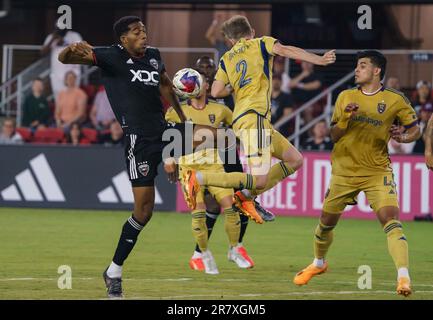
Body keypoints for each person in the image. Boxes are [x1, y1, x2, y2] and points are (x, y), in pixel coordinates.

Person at [58, 16, 188, 298]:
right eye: (136, 31)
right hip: (138, 141)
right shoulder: (109, 56)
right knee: (143, 211)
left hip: (166, 132)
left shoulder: (153, 55)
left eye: (144, 30)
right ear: (123, 39)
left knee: (218, 137)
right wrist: (72, 48)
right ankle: (114, 270)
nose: (143, 34)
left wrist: (183, 119)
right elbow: (64, 59)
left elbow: (165, 83)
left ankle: (245, 194)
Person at [181, 15, 336, 224]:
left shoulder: (227, 58)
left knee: (295, 159)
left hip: (251, 119)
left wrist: (236, 85)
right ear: (251, 32)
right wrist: (319, 59)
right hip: (254, 118)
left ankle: (246, 197)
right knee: (260, 179)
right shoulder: (262, 43)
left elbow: (216, 91)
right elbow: (286, 50)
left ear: (231, 40)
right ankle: (199, 178)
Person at [293, 50, 421, 297]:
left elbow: (414, 130)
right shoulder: (345, 96)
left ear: (376, 71)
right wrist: (346, 119)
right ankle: (319, 263)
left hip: (377, 171)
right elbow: (334, 135)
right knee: (325, 225)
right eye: (356, 65)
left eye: (362, 65)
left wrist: (403, 136)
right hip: (343, 171)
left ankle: (403, 277)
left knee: (390, 219)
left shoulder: (395, 100)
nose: (356, 69)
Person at [165, 72, 254, 273]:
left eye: (203, 81)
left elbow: (237, 130)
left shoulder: (221, 110)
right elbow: (166, 136)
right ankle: (202, 255)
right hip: (189, 167)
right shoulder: (174, 111)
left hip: (214, 165)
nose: (197, 84)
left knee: (231, 207)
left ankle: (234, 249)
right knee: (198, 214)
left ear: (206, 87)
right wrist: (168, 158)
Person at [41, 24, 82, 100]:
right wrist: (53, 39)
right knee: (59, 100)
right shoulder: (51, 37)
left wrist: (64, 42)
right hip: (56, 75)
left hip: (72, 74)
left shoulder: (75, 35)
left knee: (73, 100)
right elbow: (43, 53)